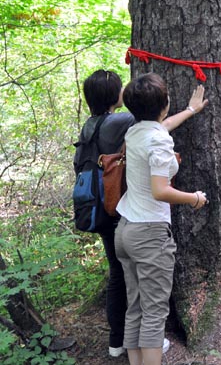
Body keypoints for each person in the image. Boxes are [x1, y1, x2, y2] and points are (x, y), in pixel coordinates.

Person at [73, 70, 171, 358]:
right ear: (112, 95)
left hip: (96, 206)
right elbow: (156, 124)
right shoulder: (120, 121)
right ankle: (144, 341)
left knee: (118, 273)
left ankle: (117, 342)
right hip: (119, 207)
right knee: (133, 279)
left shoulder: (89, 125)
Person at [114, 73, 209, 365]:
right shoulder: (157, 141)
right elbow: (160, 190)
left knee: (136, 308)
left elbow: (161, 128)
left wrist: (191, 111)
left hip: (125, 230)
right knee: (154, 313)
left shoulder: (135, 132)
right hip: (149, 235)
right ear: (164, 103)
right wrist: (194, 198)